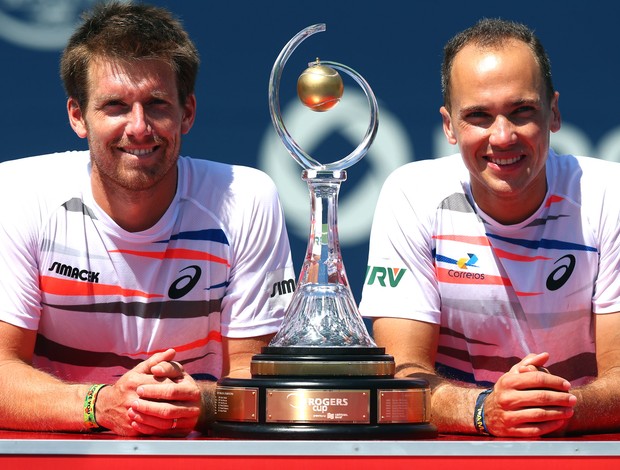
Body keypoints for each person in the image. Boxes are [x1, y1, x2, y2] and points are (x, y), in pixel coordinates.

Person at [0, 2, 295, 437]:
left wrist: (191, 403)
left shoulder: (246, 198)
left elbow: (259, 387)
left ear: (187, 113)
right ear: (77, 116)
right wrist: (101, 404)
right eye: (115, 106)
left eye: (156, 104)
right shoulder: (19, 192)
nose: (138, 128)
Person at [359, 18, 620, 437]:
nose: (502, 137)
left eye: (521, 112)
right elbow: (402, 379)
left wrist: (546, 409)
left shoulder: (611, 195)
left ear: (554, 112)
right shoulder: (411, 193)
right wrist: (485, 409)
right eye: (479, 116)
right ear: (449, 126)